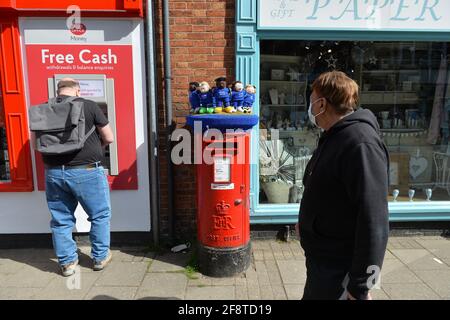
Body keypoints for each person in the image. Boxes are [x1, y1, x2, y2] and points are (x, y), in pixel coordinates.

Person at [296, 71, 389, 300]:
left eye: (311, 100)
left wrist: (360, 286)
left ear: (322, 104)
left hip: (340, 269)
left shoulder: (360, 143)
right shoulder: (333, 135)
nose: (309, 107)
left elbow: (374, 219)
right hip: (322, 262)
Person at [37, 78, 114, 276]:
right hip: (87, 170)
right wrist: (97, 148)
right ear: (77, 90)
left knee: (61, 220)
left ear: (58, 91)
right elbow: (109, 137)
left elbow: (36, 144)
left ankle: (68, 264)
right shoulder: (89, 105)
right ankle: (99, 257)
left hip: (54, 172)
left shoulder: (44, 108)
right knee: (99, 215)